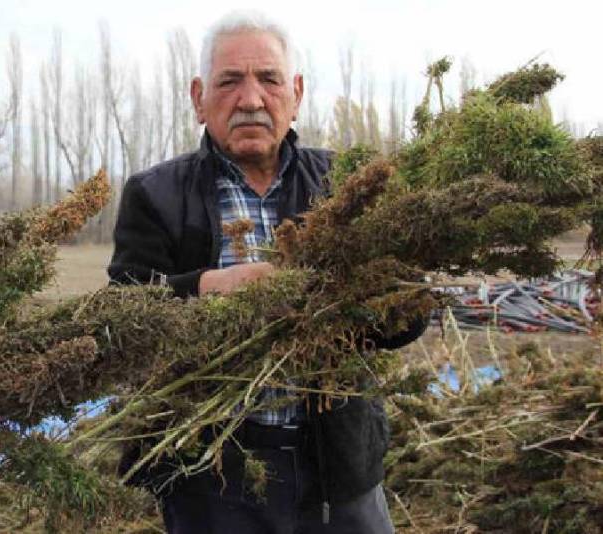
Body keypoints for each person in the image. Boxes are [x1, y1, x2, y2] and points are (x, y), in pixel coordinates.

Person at [108, 11, 423, 533]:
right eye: (229, 81)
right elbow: (123, 314)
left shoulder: (347, 186)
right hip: (211, 474)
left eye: (269, 80)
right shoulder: (155, 194)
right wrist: (208, 288)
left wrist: (343, 304)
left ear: (296, 93)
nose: (250, 99)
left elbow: (408, 319)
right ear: (198, 97)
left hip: (337, 468)